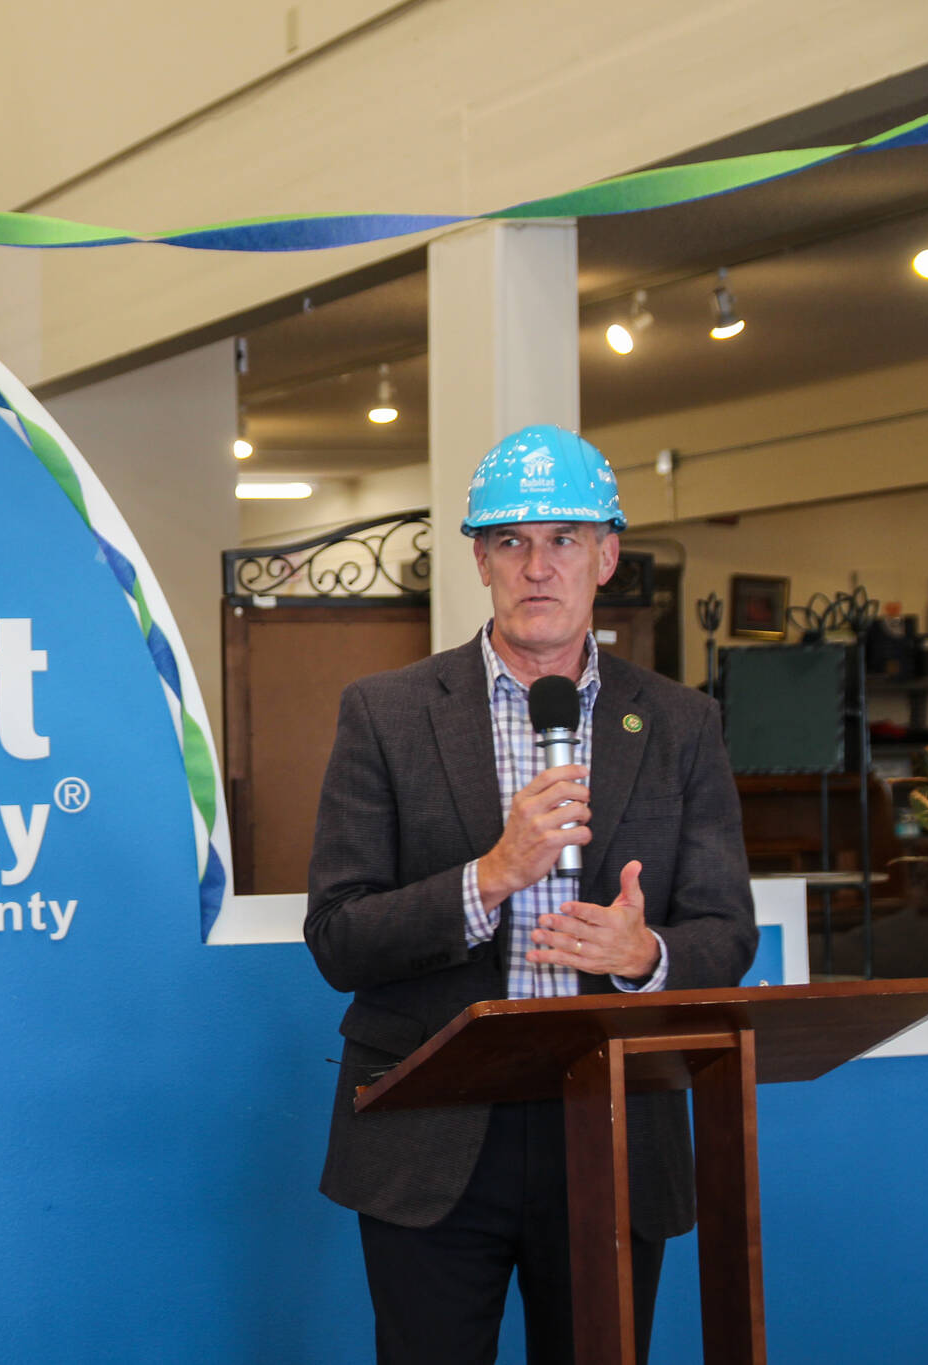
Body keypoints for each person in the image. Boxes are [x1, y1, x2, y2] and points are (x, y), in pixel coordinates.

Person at [305, 424, 757, 1365]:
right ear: (479, 558)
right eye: (512, 540)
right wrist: (489, 876)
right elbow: (338, 935)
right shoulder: (384, 713)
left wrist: (647, 956)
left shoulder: (680, 723)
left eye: (564, 539)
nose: (538, 565)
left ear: (608, 555)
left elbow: (727, 930)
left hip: (614, 1127)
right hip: (431, 1133)